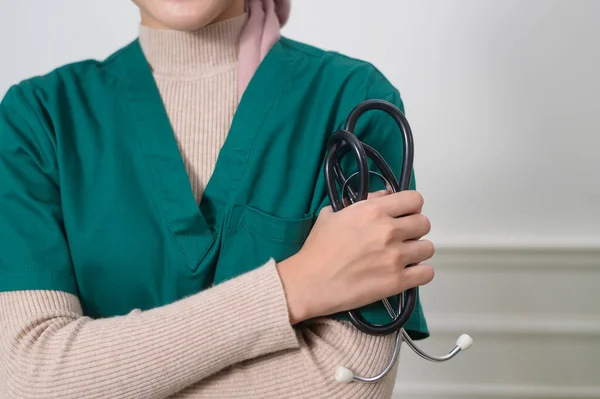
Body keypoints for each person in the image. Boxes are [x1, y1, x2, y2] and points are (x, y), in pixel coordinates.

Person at [0, 0, 435, 398]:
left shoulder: (352, 103)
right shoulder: (38, 122)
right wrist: (293, 287)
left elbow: (349, 384)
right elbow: (29, 379)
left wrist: (101, 381)